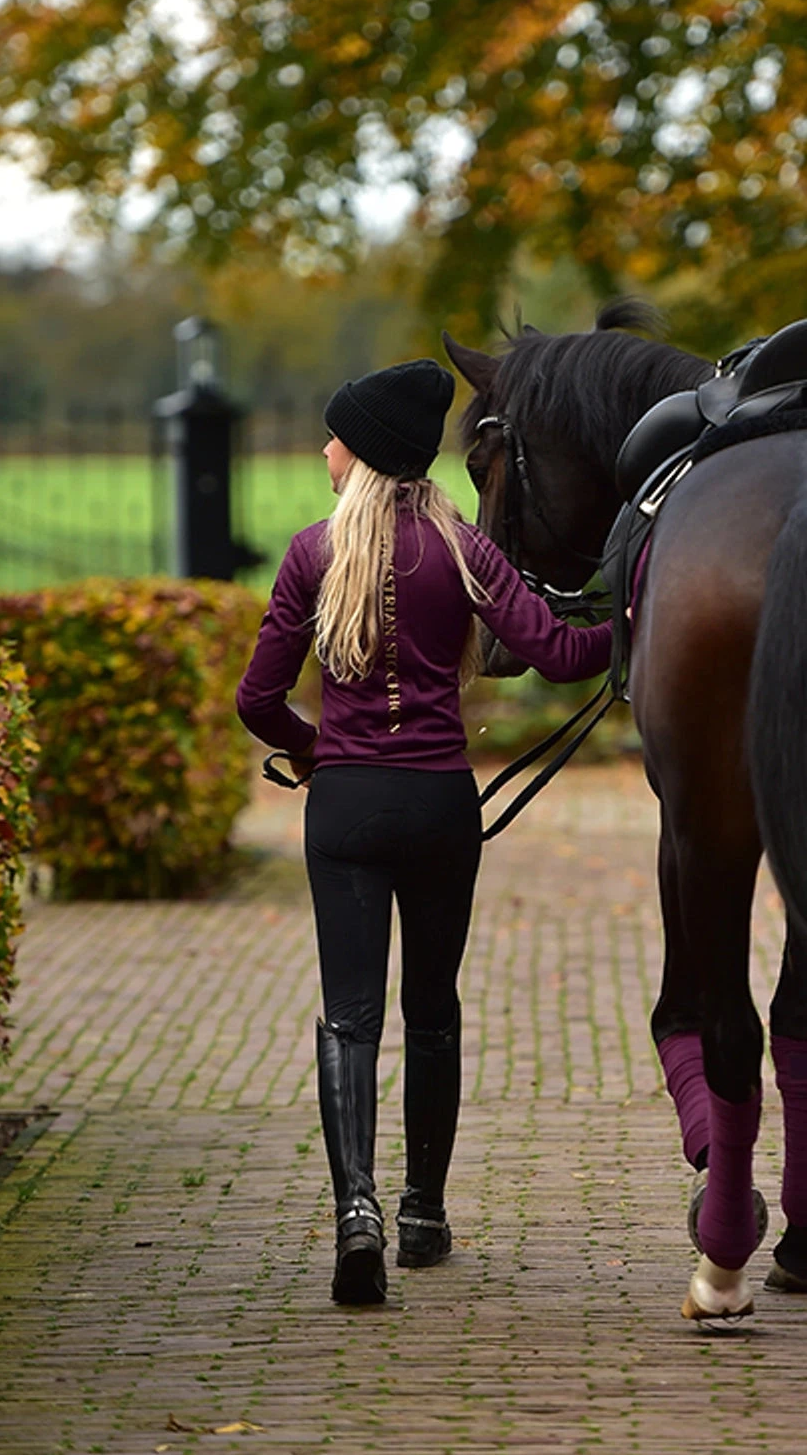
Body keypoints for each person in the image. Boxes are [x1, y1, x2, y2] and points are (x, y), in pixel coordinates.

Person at [236, 357, 611, 1306]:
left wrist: (317, 750)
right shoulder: (468, 552)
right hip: (444, 807)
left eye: (333, 435)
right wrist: (641, 619)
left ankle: (353, 1210)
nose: (323, 448)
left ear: (361, 453)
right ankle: (422, 1215)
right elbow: (562, 654)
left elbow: (257, 700)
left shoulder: (312, 552)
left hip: (348, 809)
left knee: (350, 1015)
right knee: (432, 1011)